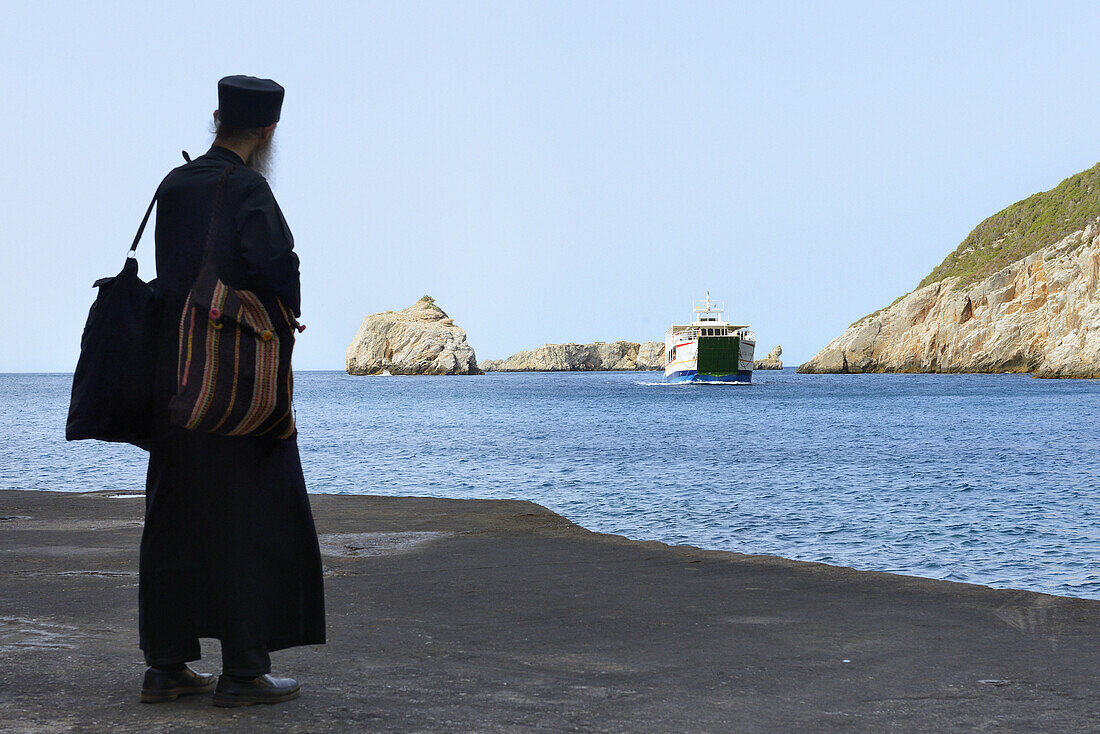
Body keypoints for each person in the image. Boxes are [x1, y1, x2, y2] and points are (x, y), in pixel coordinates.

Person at [138, 75, 325, 708]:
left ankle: (165, 667)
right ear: (269, 130)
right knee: (252, 516)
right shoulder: (247, 187)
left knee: (172, 515)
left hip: (171, 381)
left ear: (217, 117)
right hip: (232, 382)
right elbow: (277, 271)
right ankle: (244, 670)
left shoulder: (174, 184)